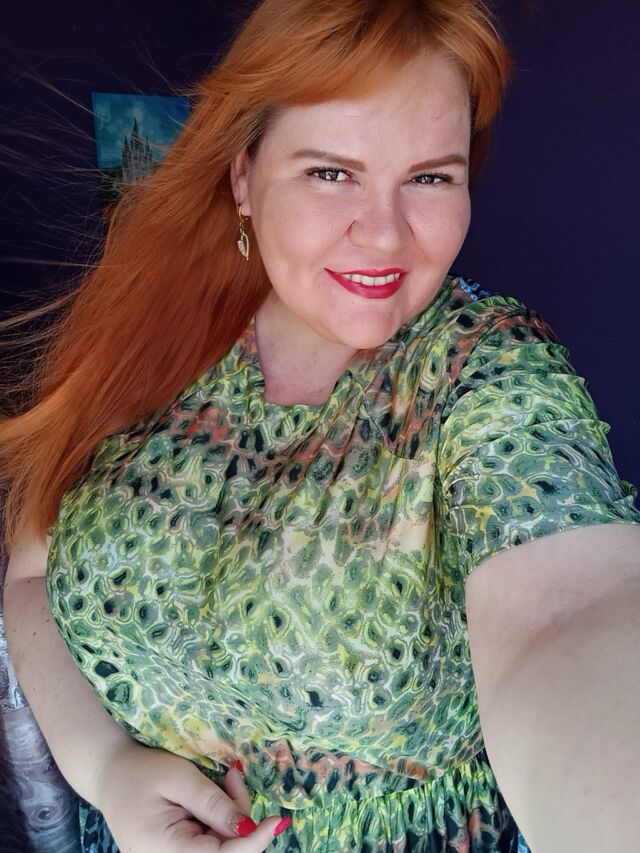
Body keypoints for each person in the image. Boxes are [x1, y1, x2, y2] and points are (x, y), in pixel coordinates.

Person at [2, 1, 640, 851]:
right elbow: (30, 576)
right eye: (331, 173)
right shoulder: (144, 337)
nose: (384, 234)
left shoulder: (485, 372)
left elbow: (570, 615)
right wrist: (107, 765)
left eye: (430, 177)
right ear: (244, 176)